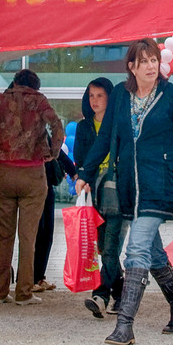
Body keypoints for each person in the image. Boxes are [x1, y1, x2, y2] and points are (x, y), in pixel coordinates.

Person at [75, 39, 173, 345]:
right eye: (145, 61)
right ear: (132, 67)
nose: (151, 66)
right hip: (127, 186)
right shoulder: (121, 98)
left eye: (155, 60)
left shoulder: (172, 96)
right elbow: (106, 138)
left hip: (159, 183)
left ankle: (125, 325)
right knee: (152, 251)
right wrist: (85, 172)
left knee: (135, 248)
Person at [0, 68, 65, 305]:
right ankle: (24, 293)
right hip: (32, 175)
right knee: (28, 237)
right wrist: (53, 153)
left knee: (4, 235)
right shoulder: (39, 101)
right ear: (35, 86)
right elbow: (57, 126)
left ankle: (0, 292)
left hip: (3, 173)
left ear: (14, 83)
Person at [72, 77, 122, 317]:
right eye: (91, 95)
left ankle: (101, 295)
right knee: (103, 247)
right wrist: (84, 179)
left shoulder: (119, 124)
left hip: (117, 190)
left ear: (110, 98)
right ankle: (121, 294)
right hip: (93, 193)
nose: (95, 100)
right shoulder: (83, 127)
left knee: (111, 246)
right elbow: (80, 159)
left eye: (100, 95)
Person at [32, 132, 78, 293]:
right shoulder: (22, 132)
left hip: (47, 185)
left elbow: (58, 152)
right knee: (36, 233)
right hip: (31, 186)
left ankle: (38, 276)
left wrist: (73, 172)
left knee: (46, 234)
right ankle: (30, 278)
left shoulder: (42, 131)